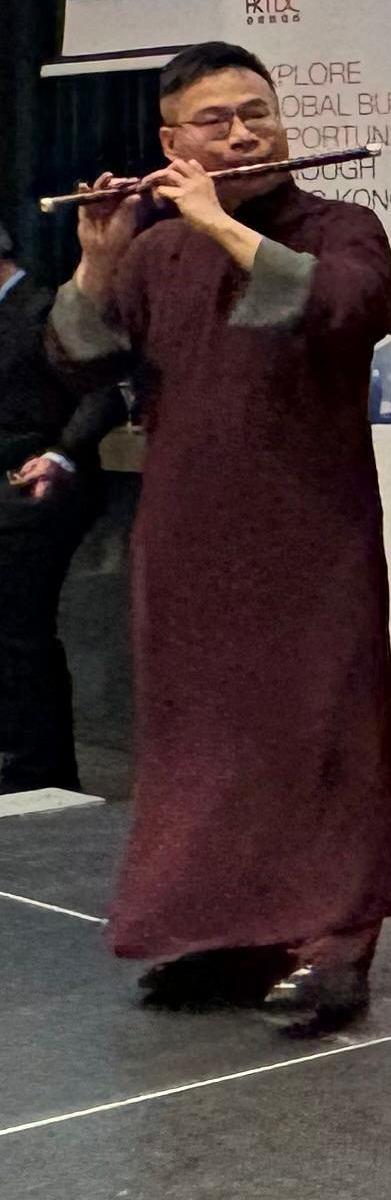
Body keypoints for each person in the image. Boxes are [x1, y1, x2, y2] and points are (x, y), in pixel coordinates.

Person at [49, 43, 391, 1035]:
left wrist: (215, 221)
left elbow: (340, 307)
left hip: (310, 529)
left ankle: (333, 945)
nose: (244, 134)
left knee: (325, 733)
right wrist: (98, 258)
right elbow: (80, 364)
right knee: (206, 742)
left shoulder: (341, 227)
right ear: (174, 143)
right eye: (216, 121)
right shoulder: (157, 254)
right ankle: (231, 933)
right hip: (189, 534)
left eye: (257, 113)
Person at [0, 220, 123, 795]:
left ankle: (39, 768)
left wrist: (62, 453)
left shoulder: (44, 308)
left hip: (39, 488)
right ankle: (21, 757)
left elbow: (103, 389)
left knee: (20, 630)